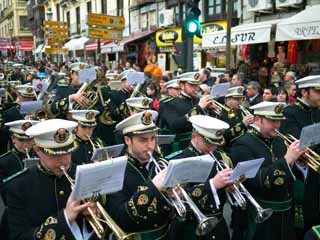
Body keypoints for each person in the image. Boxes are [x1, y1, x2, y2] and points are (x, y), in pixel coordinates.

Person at [7, 119, 98, 240]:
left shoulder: (85, 174)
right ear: (37, 150)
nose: (63, 160)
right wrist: (65, 218)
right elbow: (20, 236)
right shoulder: (18, 186)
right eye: (54, 154)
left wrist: (91, 218)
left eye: (68, 152)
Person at [231, 101, 305, 240]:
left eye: (279, 121)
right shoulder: (242, 144)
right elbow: (255, 181)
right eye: (272, 121)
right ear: (258, 119)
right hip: (262, 216)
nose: (277, 126)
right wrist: (287, 160)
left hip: (286, 211)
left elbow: (291, 173)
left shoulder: (278, 141)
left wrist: (300, 163)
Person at [166, 115, 234, 240]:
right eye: (208, 142)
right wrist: (213, 184)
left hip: (218, 225)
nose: (213, 148)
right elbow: (175, 200)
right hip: (190, 228)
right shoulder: (178, 161)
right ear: (194, 137)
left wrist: (230, 187)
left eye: (216, 143)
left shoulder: (220, 157)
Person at [106, 110, 172, 239]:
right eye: (143, 140)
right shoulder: (113, 171)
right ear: (127, 140)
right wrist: (153, 188)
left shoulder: (161, 161)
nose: (150, 146)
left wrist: (174, 196)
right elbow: (121, 218)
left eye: (153, 138)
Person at [280, 75, 320, 238]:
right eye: (318, 91)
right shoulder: (290, 112)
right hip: (302, 175)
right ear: (304, 92)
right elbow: (298, 144)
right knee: (304, 222)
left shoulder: (318, 111)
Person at [0, 119, 38, 239]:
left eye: (29, 139)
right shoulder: (4, 162)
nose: (26, 144)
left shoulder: (42, 157)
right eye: (21, 140)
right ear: (13, 139)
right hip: (15, 215)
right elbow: (5, 196)